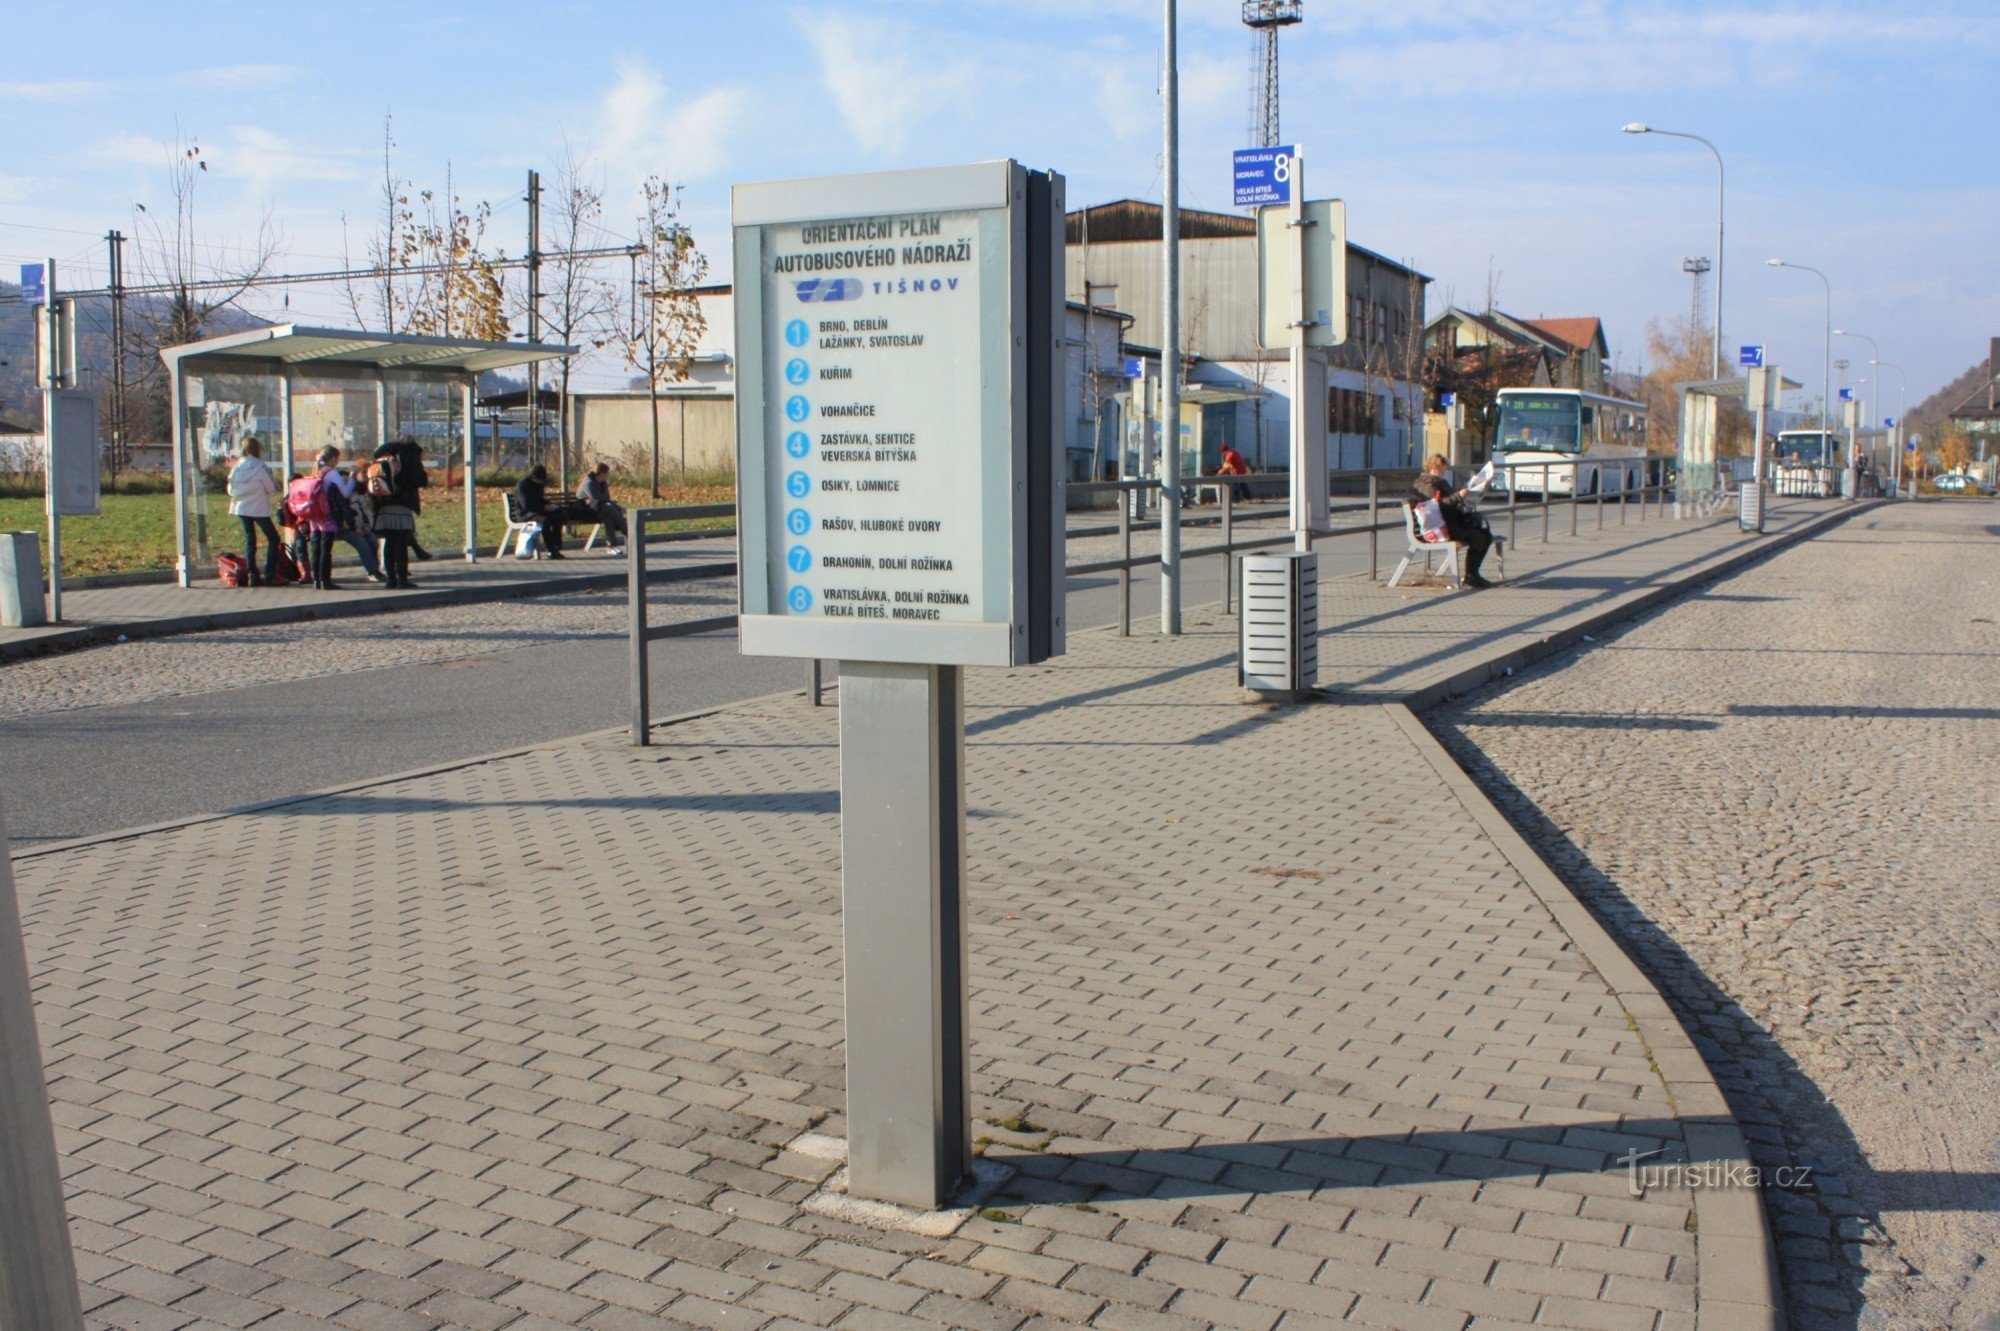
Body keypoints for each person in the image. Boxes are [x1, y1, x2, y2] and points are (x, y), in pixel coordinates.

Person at [1414, 452, 1495, 589]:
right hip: (1442, 526)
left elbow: (1449, 502)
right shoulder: (1425, 484)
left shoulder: (1440, 482)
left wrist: (1471, 495)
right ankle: (1471, 575)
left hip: (1452, 522)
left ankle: (1473, 574)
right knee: (1477, 537)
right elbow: (1438, 505)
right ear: (1433, 467)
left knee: (1487, 535)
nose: (1443, 473)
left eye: (1444, 470)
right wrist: (1459, 496)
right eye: (1441, 469)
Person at [316, 447, 385, 583]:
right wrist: (352, 477)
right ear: (333, 458)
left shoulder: (320, 472)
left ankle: (374, 570)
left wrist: (365, 526)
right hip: (339, 524)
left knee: (371, 538)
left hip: (333, 522)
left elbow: (363, 511)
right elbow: (345, 502)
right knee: (362, 541)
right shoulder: (333, 477)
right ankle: (373, 571)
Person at [225, 437, 283, 586]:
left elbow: (231, 489)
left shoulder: (236, 466)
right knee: (274, 538)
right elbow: (270, 487)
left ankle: (252, 574)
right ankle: (270, 573)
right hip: (258, 507)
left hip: (241, 507)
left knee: (250, 540)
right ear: (258, 449)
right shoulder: (260, 466)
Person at [372, 437, 428, 589]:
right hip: (402, 504)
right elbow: (418, 479)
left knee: (389, 542)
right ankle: (402, 578)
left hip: (384, 503)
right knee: (401, 543)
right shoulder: (410, 453)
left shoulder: (383, 454)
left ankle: (391, 580)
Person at [513, 464, 591, 559]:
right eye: (540, 479)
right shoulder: (522, 486)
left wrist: (550, 505)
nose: (542, 482)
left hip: (538, 511)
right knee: (545, 521)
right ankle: (550, 549)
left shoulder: (538, 485)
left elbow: (540, 499)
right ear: (534, 477)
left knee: (558, 517)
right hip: (525, 513)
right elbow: (526, 505)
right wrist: (544, 508)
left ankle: (556, 547)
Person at [577, 462, 628, 552]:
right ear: (602, 474)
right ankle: (628, 531)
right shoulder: (588, 483)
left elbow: (606, 499)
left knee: (608, 516)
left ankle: (611, 546)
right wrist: (616, 506)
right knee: (609, 508)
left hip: (599, 509)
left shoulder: (603, 484)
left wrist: (615, 505)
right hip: (586, 511)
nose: (608, 476)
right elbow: (597, 498)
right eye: (607, 474)